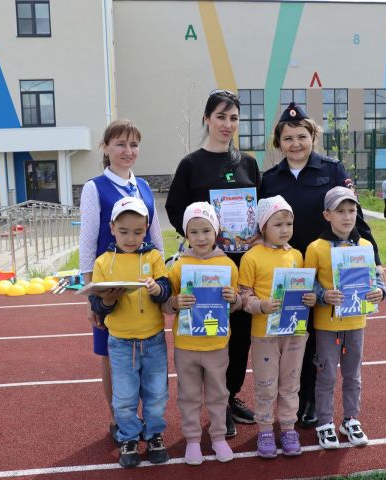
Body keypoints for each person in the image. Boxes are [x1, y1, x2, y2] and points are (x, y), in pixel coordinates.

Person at [259, 102, 383, 428]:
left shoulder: (332, 170)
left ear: (312, 136)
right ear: (278, 143)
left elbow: (357, 221)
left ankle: (311, 400)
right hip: (286, 270)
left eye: (302, 136)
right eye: (288, 138)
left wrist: (376, 265)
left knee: (319, 337)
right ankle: (291, 400)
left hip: (326, 270)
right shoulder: (269, 179)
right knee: (291, 335)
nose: (295, 143)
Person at [166, 89, 261, 437]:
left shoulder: (247, 163)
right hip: (204, 266)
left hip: (242, 263)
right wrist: (198, 240)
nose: (227, 124)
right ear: (207, 119)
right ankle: (209, 404)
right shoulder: (191, 164)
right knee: (207, 335)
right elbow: (174, 208)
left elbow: (259, 209)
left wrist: (255, 237)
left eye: (233, 117)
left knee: (240, 336)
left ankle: (229, 398)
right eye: (221, 117)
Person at [78, 120, 163, 441]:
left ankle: (145, 419)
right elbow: (87, 244)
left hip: (143, 291)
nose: (128, 151)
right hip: (110, 290)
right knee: (112, 356)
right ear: (105, 148)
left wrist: (162, 279)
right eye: (120, 144)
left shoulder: (142, 186)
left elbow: (156, 237)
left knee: (148, 357)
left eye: (133, 145)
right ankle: (119, 419)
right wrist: (92, 299)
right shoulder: (94, 187)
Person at [88, 197, 171, 468]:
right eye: (124, 231)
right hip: (121, 342)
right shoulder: (103, 262)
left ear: (147, 227)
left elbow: (166, 288)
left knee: (157, 393)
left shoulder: (154, 256)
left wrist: (158, 289)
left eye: (138, 231)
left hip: (154, 339)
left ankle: (155, 434)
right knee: (123, 396)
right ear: (112, 228)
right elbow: (98, 304)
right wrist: (108, 301)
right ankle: (128, 437)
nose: (131, 237)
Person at [304, 187, 386, 449]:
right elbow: (306, 285)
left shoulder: (365, 246)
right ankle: (325, 423)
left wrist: (379, 292)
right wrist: (323, 295)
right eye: (340, 211)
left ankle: (350, 419)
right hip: (327, 325)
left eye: (352, 211)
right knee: (326, 375)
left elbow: (376, 280)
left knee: (353, 376)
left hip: (356, 323)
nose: (347, 216)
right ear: (327, 215)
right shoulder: (315, 248)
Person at [162, 202, 241, 465]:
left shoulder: (227, 266)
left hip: (217, 344)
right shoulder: (177, 266)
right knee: (189, 394)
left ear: (216, 232)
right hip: (186, 344)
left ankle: (218, 437)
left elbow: (236, 302)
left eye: (206, 231)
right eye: (193, 232)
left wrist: (234, 298)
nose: (200, 238)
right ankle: (193, 439)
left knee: (219, 394)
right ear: (186, 235)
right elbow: (165, 304)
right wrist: (175, 303)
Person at [238, 196, 316, 458]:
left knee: (291, 384)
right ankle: (265, 430)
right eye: (278, 224)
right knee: (266, 384)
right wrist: (260, 305)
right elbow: (243, 295)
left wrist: (309, 298)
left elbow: (304, 289)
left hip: (295, 332)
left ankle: (288, 427)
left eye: (289, 223)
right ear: (263, 227)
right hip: (264, 335)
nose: (285, 229)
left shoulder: (297, 255)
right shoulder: (251, 257)